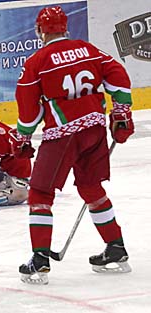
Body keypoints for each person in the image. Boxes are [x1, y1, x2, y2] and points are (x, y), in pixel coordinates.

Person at [13, 6, 134, 284]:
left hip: (63, 136)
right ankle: (116, 247)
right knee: (91, 188)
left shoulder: (37, 60)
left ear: (40, 30)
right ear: (65, 28)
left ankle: (40, 260)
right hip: (93, 128)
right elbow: (118, 75)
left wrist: (23, 136)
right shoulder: (88, 49)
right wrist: (122, 110)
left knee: (40, 194)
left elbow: (29, 109)